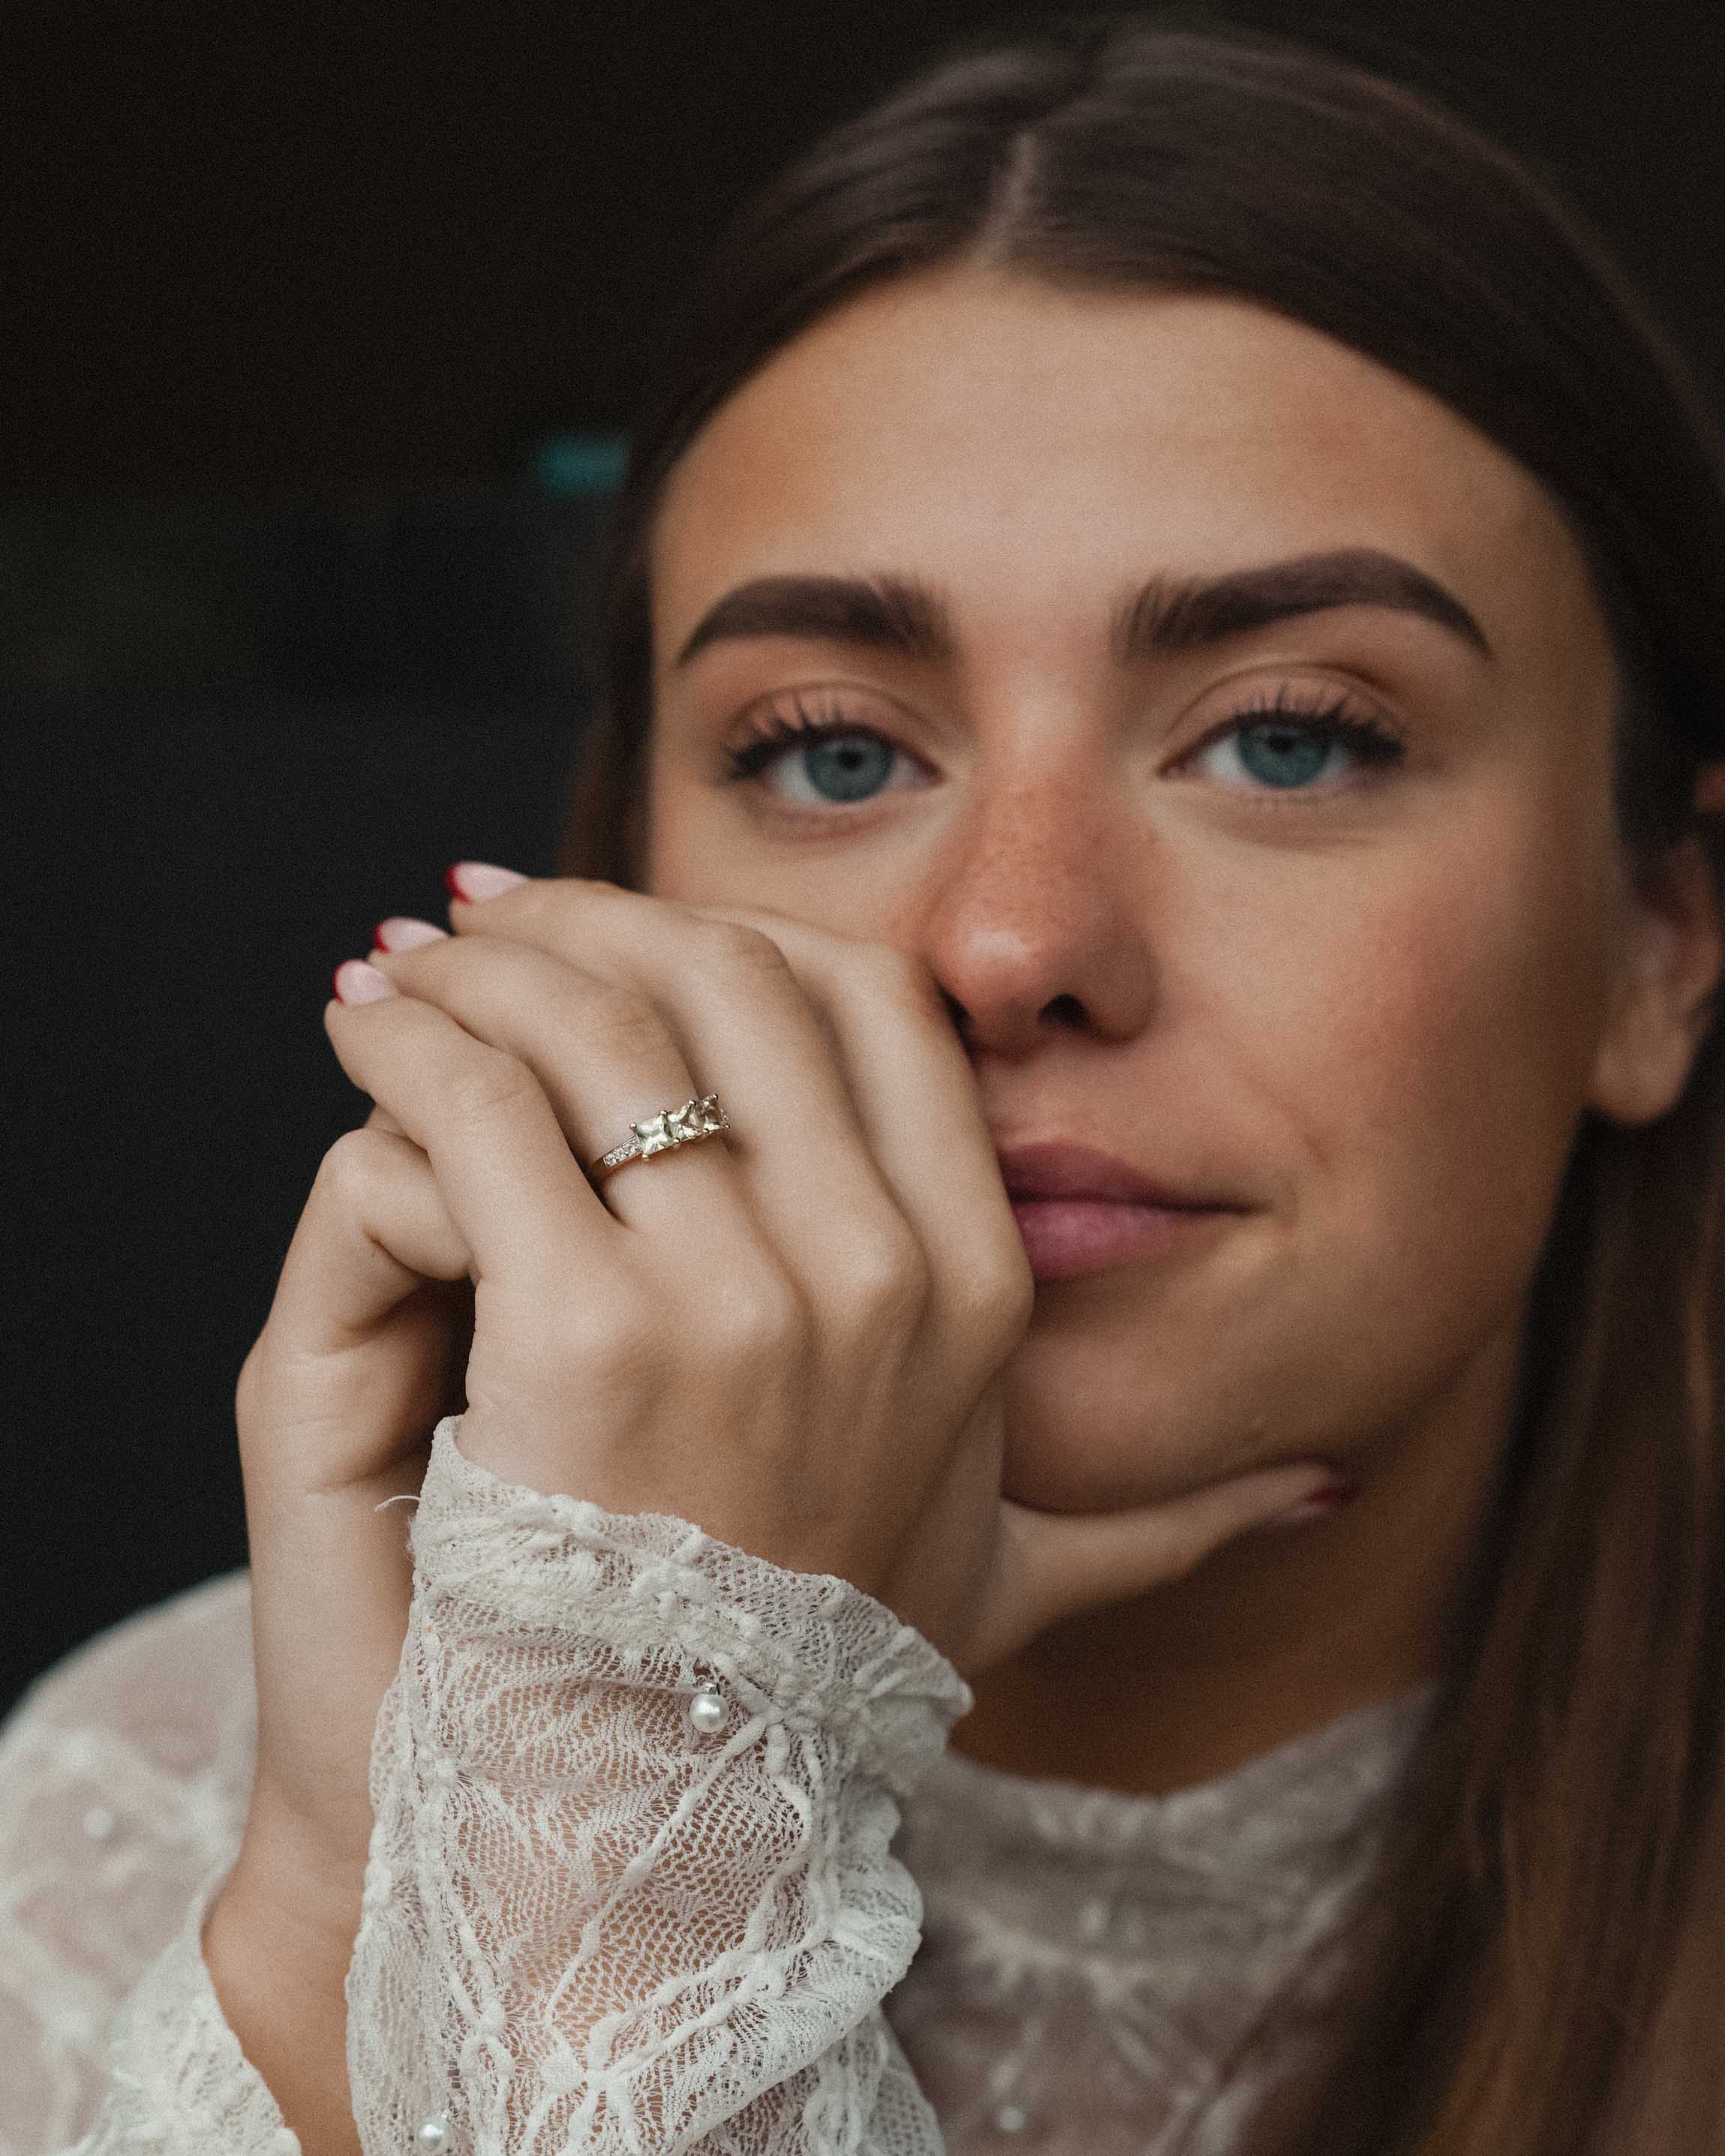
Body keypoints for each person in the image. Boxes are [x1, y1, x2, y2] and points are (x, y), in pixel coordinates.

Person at [7, 11, 1725, 2152]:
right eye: (832, 751)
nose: (1009, 948)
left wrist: (647, 1851)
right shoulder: (144, 1804)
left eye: (1289, 735)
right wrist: (442, 1858)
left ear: (1657, 941)